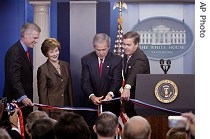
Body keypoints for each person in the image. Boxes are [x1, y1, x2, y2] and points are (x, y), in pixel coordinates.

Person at [81, 33, 122, 139]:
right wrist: (92, 96)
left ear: (109, 46)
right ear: (94, 47)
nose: (101, 52)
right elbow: (85, 82)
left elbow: (117, 81)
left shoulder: (117, 60)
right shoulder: (86, 60)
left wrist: (110, 94)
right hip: (91, 107)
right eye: (98, 50)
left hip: (110, 107)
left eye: (104, 49)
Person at [3, 22, 41, 125]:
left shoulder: (24, 51)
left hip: (23, 103)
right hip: (16, 103)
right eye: (35, 38)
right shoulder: (15, 52)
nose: (36, 41)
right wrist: (23, 97)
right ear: (26, 35)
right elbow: (13, 78)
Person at [37, 38, 74, 120]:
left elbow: (69, 90)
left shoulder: (66, 65)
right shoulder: (43, 69)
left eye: (56, 50)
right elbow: (42, 95)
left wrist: (71, 110)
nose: (55, 54)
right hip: (52, 112)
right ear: (46, 53)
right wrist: (46, 116)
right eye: (51, 52)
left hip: (66, 110)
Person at [121, 31, 150, 118]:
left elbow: (134, 73)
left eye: (128, 45)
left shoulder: (140, 58)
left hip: (138, 103)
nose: (125, 47)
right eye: (124, 44)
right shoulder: (128, 55)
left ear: (136, 44)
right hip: (130, 102)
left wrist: (127, 87)